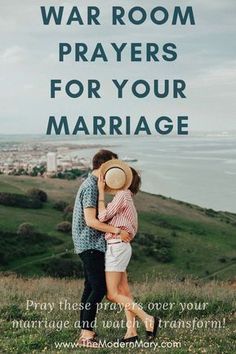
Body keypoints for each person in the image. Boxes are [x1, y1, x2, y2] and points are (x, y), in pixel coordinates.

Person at [72, 150, 132, 348]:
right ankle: (86, 336)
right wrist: (117, 231)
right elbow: (91, 221)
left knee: (90, 287)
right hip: (90, 244)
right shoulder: (90, 187)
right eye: (113, 167)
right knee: (98, 288)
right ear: (104, 167)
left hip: (88, 244)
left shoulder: (92, 185)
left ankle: (85, 332)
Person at [98, 165, 160, 342]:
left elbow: (102, 217)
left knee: (112, 294)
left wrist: (101, 193)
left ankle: (148, 319)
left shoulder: (123, 195)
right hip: (120, 247)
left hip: (116, 246)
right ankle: (131, 332)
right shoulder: (128, 199)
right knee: (124, 292)